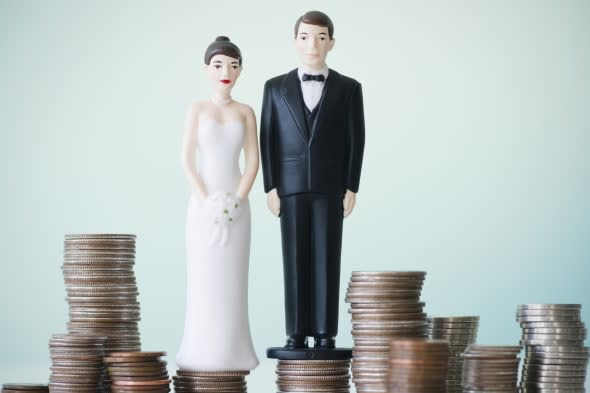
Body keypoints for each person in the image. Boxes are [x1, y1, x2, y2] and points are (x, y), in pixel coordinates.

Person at [260, 11, 365, 350]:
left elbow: (356, 138)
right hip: (289, 187)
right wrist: (270, 185)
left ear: (331, 42)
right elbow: (268, 137)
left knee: (327, 257)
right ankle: (295, 330)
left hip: (330, 184)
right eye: (305, 36)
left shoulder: (349, 88)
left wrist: (351, 186)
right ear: (294, 42)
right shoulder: (275, 87)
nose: (313, 44)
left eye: (321, 37)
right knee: (293, 258)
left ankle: (324, 331)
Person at [176, 36, 259, 370]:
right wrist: (206, 200)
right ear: (207, 69)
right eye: (219, 64)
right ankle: (199, 353)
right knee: (204, 278)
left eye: (234, 65)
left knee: (232, 280)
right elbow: (186, 160)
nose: (227, 71)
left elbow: (253, 161)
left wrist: (237, 200)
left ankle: (234, 352)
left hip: (238, 208)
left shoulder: (246, 111)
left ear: (240, 71)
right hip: (202, 206)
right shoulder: (197, 109)